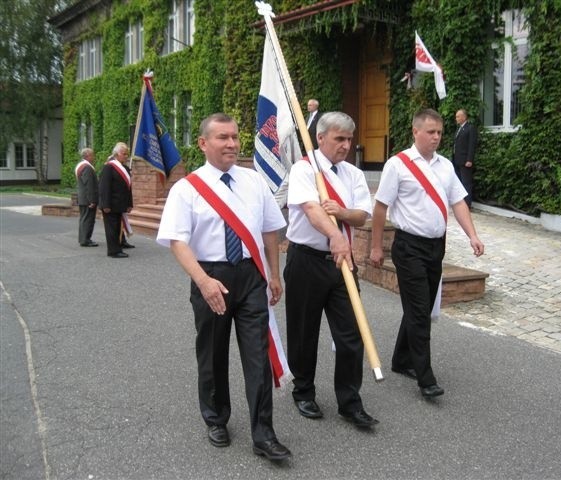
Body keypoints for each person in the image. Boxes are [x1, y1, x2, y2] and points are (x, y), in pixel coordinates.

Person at [156, 113, 291, 461]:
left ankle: (264, 434)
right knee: (213, 353)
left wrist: (274, 275)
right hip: (210, 276)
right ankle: (216, 418)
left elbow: (269, 231)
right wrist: (203, 281)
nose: (231, 143)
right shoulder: (187, 188)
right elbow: (177, 241)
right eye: (222, 138)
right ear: (203, 143)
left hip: (250, 276)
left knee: (257, 358)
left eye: (234, 136)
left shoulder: (254, 181)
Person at [369, 108, 484, 399]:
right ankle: (425, 377)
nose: (436, 137)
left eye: (440, 133)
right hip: (409, 247)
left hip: (436, 247)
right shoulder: (398, 165)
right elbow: (381, 207)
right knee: (420, 312)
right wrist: (375, 246)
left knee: (420, 305)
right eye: (430, 132)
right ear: (415, 132)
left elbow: (458, 202)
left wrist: (472, 235)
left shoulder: (445, 166)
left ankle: (401, 359)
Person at [284, 111, 378, 428]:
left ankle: (350, 402)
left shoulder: (353, 174)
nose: (346, 145)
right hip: (307, 259)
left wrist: (342, 212)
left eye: (349, 139)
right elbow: (311, 210)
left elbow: (362, 216)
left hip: (341, 264)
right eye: (339, 139)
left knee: (351, 333)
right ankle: (304, 391)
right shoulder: (304, 170)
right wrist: (336, 235)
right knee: (303, 332)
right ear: (321, 138)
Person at [98, 142, 134, 258]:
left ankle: (118, 247)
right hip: (110, 205)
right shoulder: (109, 167)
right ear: (117, 154)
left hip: (120, 204)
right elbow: (104, 187)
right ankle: (113, 251)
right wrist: (105, 204)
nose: (126, 156)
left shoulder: (124, 168)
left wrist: (129, 204)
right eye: (124, 154)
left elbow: (128, 188)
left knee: (118, 228)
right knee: (111, 229)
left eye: (127, 154)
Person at [452, 109, 478, 207]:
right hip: (457, 160)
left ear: (464, 117)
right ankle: (460, 202)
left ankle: (467, 204)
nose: (456, 118)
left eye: (458, 116)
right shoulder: (459, 129)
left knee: (466, 183)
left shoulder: (470, 128)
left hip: (465, 161)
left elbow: (472, 145)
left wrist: (469, 160)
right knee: (458, 182)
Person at [75, 147, 99, 247]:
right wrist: (92, 200)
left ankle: (83, 238)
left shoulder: (80, 165)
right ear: (88, 156)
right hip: (87, 199)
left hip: (83, 197)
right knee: (88, 219)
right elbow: (89, 185)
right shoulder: (87, 167)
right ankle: (86, 239)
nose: (94, 157)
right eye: (92, 155)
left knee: (84, 218)